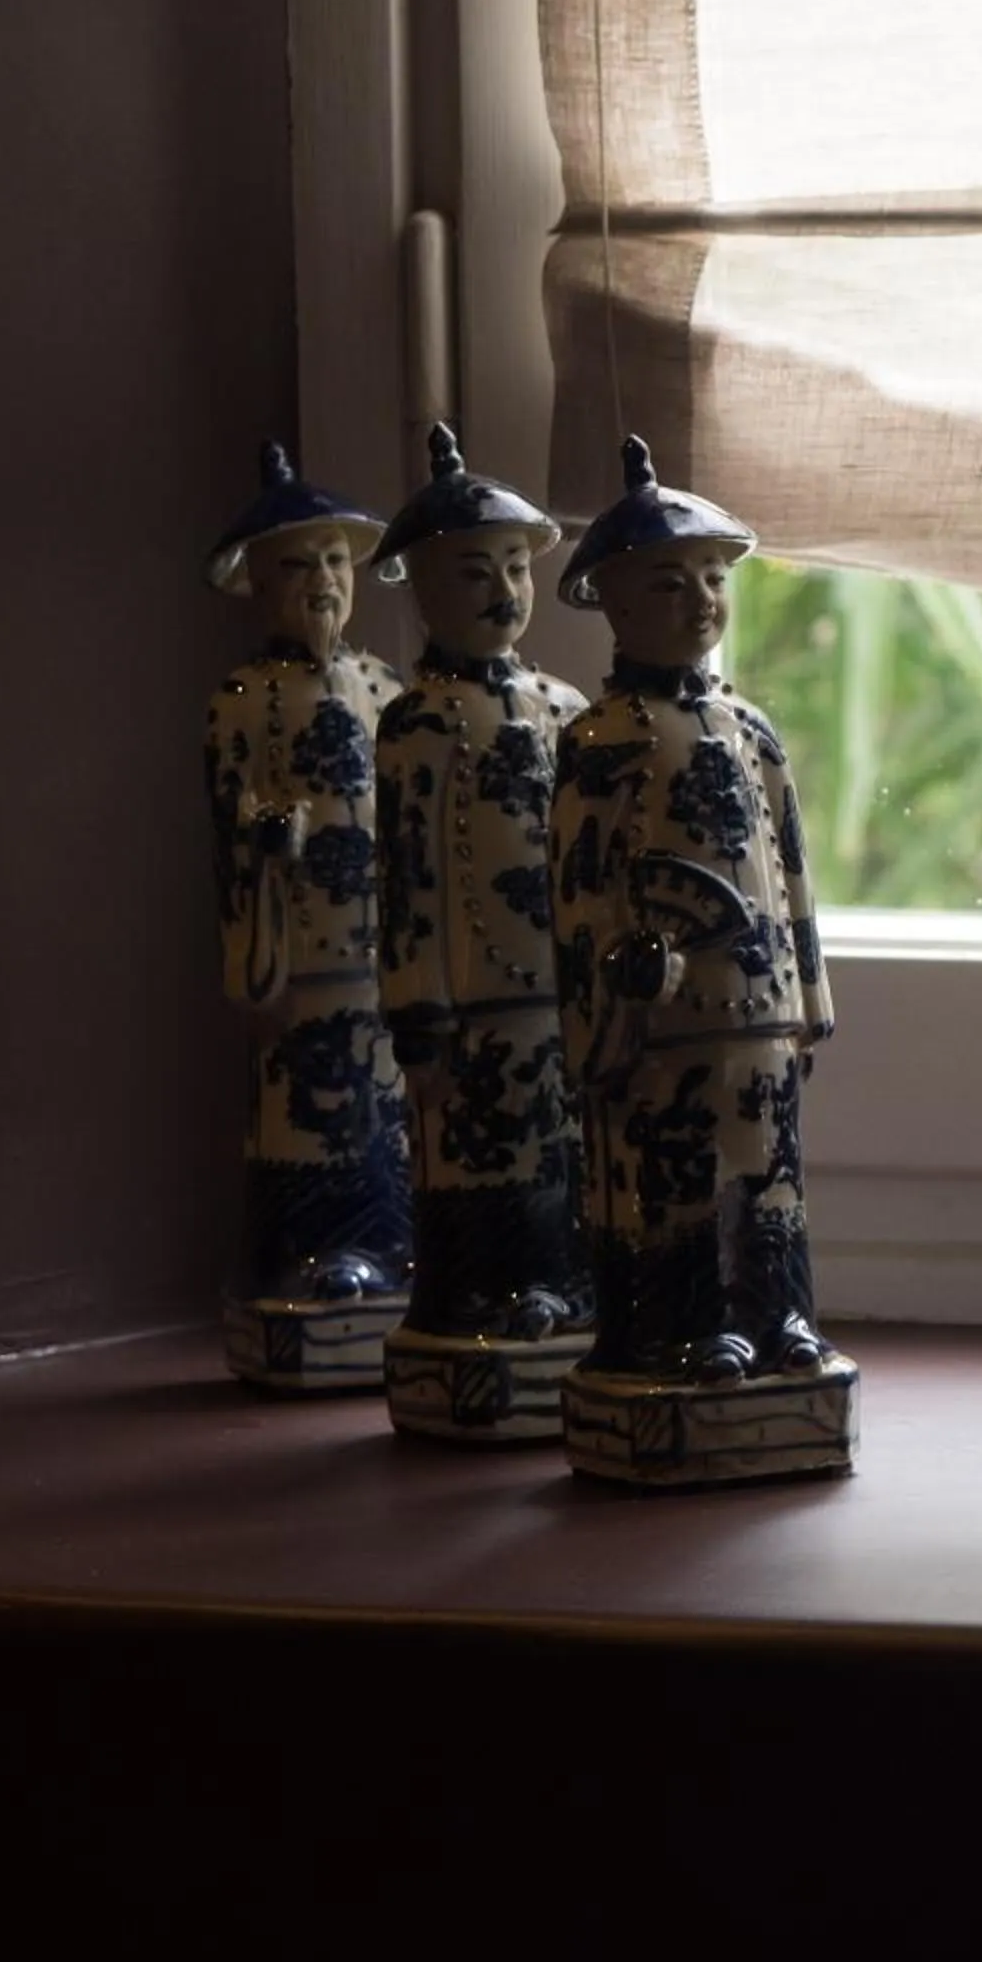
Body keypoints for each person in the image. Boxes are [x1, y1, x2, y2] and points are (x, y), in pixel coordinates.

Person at [551, 436, 843, 1418]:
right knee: (679, 1172)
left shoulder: (751, 729)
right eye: (673, 584)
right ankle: (686, 1326)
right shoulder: (597, 744)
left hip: (757, 1003)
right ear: (618, 600)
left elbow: (791, 873)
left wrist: (811, 998)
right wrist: (618, 966)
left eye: (713, 580)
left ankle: (778, 1315)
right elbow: (578, 882)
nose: (702, 602)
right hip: (665, 1010)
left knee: (770, 1171)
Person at [369, 424, 592, 1436]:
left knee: (560, 1149)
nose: (504, 590)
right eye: (473, 571)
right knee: (474, 1153)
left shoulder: (565, 710)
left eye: (514, 566)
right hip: (471, 992)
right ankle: (476, 1302)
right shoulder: (419, 723)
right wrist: (419, 1005)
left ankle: (562, 1290)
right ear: (422, 586)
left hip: (560, 986)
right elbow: (409, 872)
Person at [201, 442, 413, 1389]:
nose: (323, 582)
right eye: (298, 565)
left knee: (391, 1106)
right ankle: (305, 1262)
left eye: (335, 562)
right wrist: (265, 835)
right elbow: (232, 812)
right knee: (305, 1113)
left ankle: (400, 1254)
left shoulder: (386, 692)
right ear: (256, 584)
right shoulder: (242, 704)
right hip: (302, 945)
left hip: (387, 946)